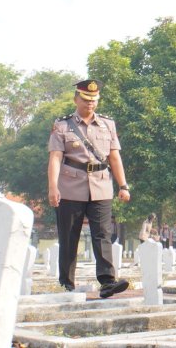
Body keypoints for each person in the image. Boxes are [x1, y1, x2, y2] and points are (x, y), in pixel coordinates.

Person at [47, 79, 130, 298]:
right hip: (70, 186)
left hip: (101, 185)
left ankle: (107, 282)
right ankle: (66, 283)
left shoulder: (107, 124)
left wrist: (123, 185)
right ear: (76, 99)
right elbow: (55, 158)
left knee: (103, 234)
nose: (90, 104)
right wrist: (53, 187)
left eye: (94, 100)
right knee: (69, 236)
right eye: (86, 99)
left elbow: (114, 157)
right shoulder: (62, 125)